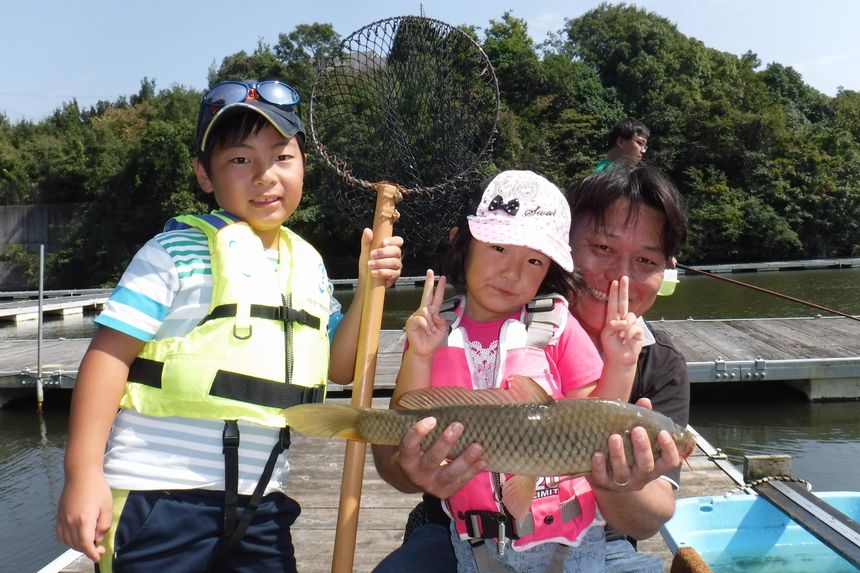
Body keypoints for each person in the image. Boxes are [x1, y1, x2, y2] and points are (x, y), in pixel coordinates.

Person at [55, 79, 404, 571]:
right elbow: (107, 358)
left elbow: (342, 368)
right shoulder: (172, 252)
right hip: (160, 496)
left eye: (283, 157)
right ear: (205, 173)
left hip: (263, 503)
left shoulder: (308, 265)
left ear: (303, 165)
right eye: (241, 160)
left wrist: (369, 288)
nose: (266, 176)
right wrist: (82, 473)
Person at [373, 170, 653, 573]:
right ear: (463, 243)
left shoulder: (557, 324)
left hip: (572, 542)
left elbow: (597, 421)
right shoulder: (435, 331)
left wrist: (622, 363)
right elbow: (406, 419)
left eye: (534, 259)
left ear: (548, 269)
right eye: (499, 247)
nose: (512, 272)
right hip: (474, 543)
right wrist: (419, 355)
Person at [567, 164, 690, 572]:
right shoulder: (503, 326)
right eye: (603, 248)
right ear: (563, 245)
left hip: (603, 541)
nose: (620, 277)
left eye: (644, 260)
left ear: (664, 270)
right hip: (462, 530)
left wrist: (615, 484)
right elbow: (397, 470)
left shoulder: (662, 362)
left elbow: (654, 512)